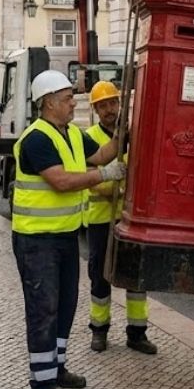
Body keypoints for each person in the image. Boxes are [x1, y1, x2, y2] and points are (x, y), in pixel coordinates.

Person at [12, 70, 125, 389]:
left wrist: (129, 129)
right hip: (37, 241)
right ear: (48, 103)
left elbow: (103, 153)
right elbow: (60, 181)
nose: (73, 102)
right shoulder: (37, 138)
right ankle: (42, 386)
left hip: (64, 236)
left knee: (65, 306)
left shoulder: (72, 134)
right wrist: (103, 176)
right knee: (43, 310)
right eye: (66, 98)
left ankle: (57, 368)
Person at [82, 81, 155, 355]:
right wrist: (118, 186)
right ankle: (99, 330)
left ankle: (137, 333)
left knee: (136, 277)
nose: (109, 109)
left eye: (112, 103)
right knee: (100, 278)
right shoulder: (89, 137)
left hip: (130, 218)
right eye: (103, 106)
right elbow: (91, 181)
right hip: (102, 221)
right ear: (96, 110)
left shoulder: (134, 136)